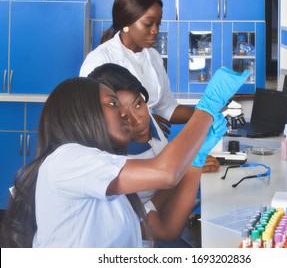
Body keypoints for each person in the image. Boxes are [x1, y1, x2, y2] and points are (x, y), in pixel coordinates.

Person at [0, 65, 250, 247]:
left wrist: (195, 163)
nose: (125, 116)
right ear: (85, 115)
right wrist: (207, 106)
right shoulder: (67, 160)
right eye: (112, 105)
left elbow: (165, 228)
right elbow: (166, 172)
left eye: (135, 105)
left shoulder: (110, 176)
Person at [79, 0, 195, 137]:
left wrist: (205, 114)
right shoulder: (100, 59)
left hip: (151, 146)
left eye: (158, 24)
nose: (155, 31)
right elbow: (88, 117)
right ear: (126, 23)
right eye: (148, 24)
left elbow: (167, 108)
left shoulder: (153, 57)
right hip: (117, 153)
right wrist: (143, 123)